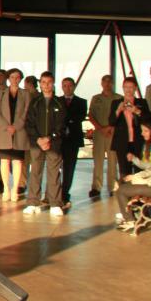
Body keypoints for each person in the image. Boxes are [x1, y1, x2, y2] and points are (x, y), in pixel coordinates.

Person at [23, 71, 67, 217]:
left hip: (53, 144)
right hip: (36, 144)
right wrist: (38, 140)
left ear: (53, 83)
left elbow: (61, 125)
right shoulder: (35, 102)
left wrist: (49, 138)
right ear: (40, 84)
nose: (46, 85)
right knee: (35, 172)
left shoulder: (59, 102)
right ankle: (33, 202)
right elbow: (29, 123)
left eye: (49, 82)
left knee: (54, 173)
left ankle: (55, 203)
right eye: (43, 82)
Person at [0, 68, 31, 202]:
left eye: (17, 77)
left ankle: (15, 188)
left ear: (20, 79)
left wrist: (16, 126)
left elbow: (26, 112)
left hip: (19, 131)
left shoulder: (25, 94)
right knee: (4, 160)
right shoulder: (0, 93)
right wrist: (6, 126)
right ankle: (6, 188)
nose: (15, 79)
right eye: (12, 77)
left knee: (17, 161)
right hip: (4, 132)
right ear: (8, 78)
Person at [109, 76, 151, 178]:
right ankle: (126, 191)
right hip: (122, 141)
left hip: (138, 140)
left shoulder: (142, 102)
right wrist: (118, 111)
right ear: (122, 88)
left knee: (139, 169)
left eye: (131, 87)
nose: (128, 90)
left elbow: (150, 120)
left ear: (135, 88)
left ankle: (138, 192)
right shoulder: (116, 103)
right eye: (126, 87)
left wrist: (137, 111)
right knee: (124, 170)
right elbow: (111, 122)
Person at [88, 74, 122, 197]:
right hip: (99, 133)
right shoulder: (96, 98)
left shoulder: (119, 98)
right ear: (101, 83)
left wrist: (111, 128)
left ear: (112, 83)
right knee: (98, 162)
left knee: (113, 161)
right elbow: (91, 115)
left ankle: (113, 187)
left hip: (114, 133)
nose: (107, 84)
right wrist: (101, 128)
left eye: (109, 81)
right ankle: (96, 187)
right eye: (105, 81)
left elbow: (121, 116)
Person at [59, 77, 87, 205]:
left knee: (69, 168)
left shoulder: (82, 102)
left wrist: (65, 120)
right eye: (65, 85)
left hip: (73, 139)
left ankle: (65, 194)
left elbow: (79, 117)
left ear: (74, 86)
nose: (67, 88)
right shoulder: (57, 100)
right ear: (62, 87)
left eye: (70, 85)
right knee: (54, 168)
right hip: (58, 139)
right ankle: (53, 193)